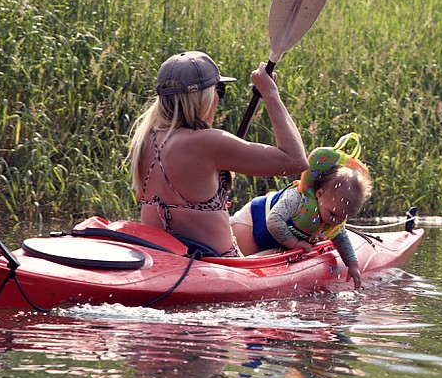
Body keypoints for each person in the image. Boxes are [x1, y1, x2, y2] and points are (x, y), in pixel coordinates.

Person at [128, 51, 308, 256]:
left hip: (163, 259)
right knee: (288, 251)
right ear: (203, 97)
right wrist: (270, 93)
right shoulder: (206, 142)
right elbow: (295, 160)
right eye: (219, 90)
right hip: (217, 264)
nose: (218, 99)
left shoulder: (143, 140)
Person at [231, 133, 373, 289]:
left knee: (272, 254)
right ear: (319, 194)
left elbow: (341, 237)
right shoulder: (297, 200)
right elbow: (274, 220)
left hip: (276, 236)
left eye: (344, 218)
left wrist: (352, 264)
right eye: (333, 215)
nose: (336, 222)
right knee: (245, 262)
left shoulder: (334, 213)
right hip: (252, 222)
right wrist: (295, 243)